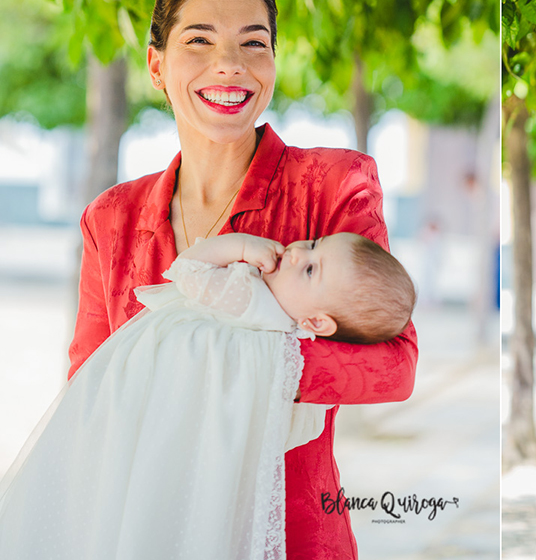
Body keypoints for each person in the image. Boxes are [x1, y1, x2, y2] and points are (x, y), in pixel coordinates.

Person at [67, 0, 418, 560]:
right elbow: (87, 391)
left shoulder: (335, 183)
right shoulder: (112, 218)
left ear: (273, 64)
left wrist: (215, 366)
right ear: (156, 64)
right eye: (198, 40)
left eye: (253, 43)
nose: (229, 64)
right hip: (144, 528)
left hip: (293, 532)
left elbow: (394, 367)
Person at [0, 232, 416, 559]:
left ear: (318, 321)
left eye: (309, 270)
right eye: (310, 245)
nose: (293, 255)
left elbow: (189, 269)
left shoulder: (250, 297)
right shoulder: (292, 337)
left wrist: (238, 246)